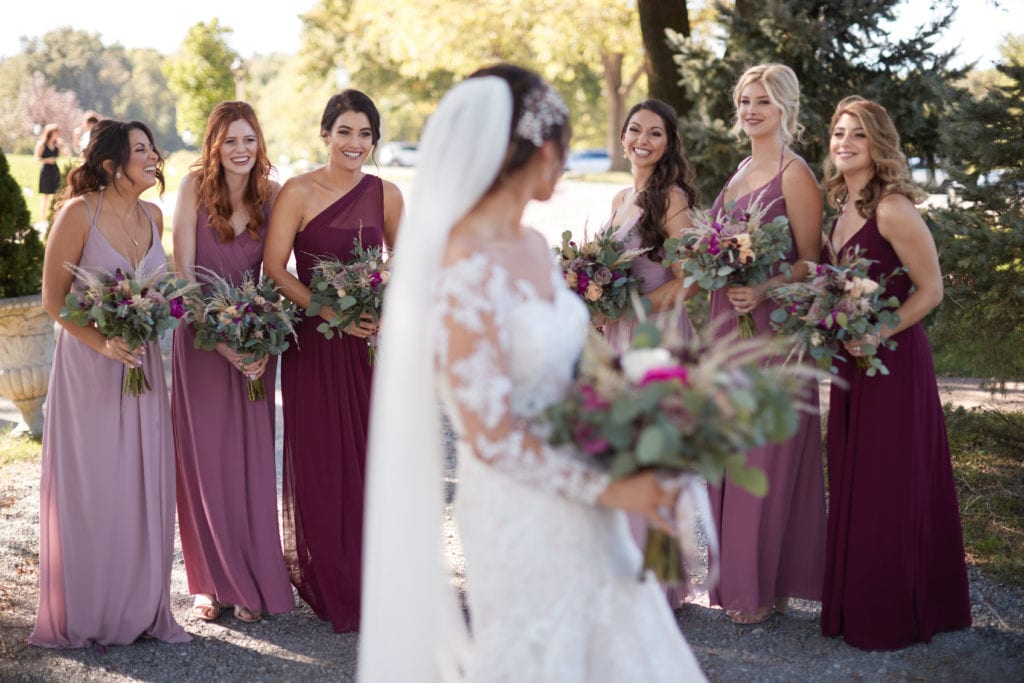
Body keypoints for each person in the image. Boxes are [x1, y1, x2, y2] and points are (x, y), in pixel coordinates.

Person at [359, 64, 707, 682]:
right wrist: (614, 488)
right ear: (539, 149)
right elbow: (489, 435)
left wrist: (639, 427)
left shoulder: (535, 249)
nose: (568, 160)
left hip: (591, 490)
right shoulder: (459, 267)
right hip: (519, 510)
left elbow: (576, 372)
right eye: (565, 146)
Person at [820, 95, 972, 650]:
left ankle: (891, 613)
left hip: (892, 362)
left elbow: (930, 290)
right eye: (838, 133)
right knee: (853, 479)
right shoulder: (841, 209)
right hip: (850, 363)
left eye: (856, 135)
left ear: (877, 144)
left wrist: (877, 333)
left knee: (888, 482)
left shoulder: (892, 208)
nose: (844, 144)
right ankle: (853, 602)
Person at [31, 120, 190, 648]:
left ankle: (140, 605)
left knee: (141, 482)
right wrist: (103, 342)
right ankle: (92, 609)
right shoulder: (78, 213)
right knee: (96, 482)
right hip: (91, 368)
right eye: (140, 150)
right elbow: (54, 300)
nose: (153, 157)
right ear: (110, 165)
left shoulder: (153, 214)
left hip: (142, 366)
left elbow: (160, 291)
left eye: (152, 148)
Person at [263, 90, 403, 633]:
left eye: (365, 134)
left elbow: (405, 264)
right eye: (344, 131)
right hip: (315, 344)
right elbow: (276, 268)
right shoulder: (297, 192)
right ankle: (333, 581)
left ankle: (379, 577)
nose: (355, 143)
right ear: (325, 134)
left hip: (368, 346)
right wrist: (331, 313)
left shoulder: (386, 194)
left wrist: (384, 313)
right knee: (323, 460)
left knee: (371, 460)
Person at [705, 63, 826, 625]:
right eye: (745, 101)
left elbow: (812, 260)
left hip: (773, 334)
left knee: (762, 456)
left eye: (763, 102)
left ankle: (758, 591)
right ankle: (746, 585)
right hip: (729, 329)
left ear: (785, 109)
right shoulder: (740, 170)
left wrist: (767, 285)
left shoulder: (794, 174)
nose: (751, 110)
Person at [171, 101, 294, 624]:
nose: (240, 150)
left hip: (256, 346)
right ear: (214, 147)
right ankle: (210, 583)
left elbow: (276, 275)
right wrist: (220, 342)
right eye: (230, 142)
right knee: (206, 462)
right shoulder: (191, 189)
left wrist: (262, 344)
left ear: (259, 143)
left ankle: (250, 580)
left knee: (249, 462)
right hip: (202, 343)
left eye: (249, 140)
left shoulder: (273, 194)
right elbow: (182, 276)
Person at [601, 98, 700, 606]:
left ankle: (663, 585)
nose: (643, 139)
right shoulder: (620, 196)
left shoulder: (672, 199)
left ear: (668, 143)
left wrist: (633, 309)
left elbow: (690, 278)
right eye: (635, 130)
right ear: (623, 137)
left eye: (655, 133)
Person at [35, 124, 65, 218]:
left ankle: (55, 216)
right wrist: (48, 160)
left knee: (57, 194)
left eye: (57, 133)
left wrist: (62, 146)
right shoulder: (42, 145)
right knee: (46, 195)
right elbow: (37, 158)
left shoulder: (57, 145)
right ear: (49, 133)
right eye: (54, 133)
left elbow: (65, 154)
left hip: (55, 170)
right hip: (46, 171)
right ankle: (42, 217)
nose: (56, 135)